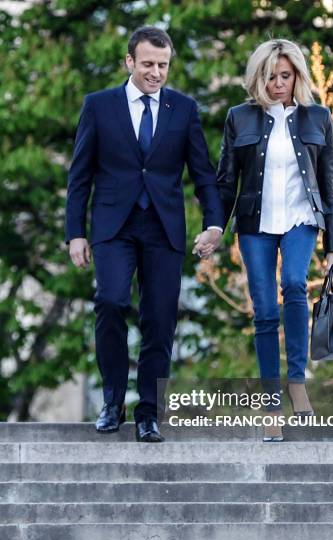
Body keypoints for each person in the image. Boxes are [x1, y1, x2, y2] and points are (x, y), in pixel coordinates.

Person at [65, 26, 223, 442]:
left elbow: (203, 174)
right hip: (113, 226)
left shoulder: (184, 109)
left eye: (163, 65)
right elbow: (79, 176)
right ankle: (113, 401)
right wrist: (74, 233)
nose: (156, 73)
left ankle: (149, 412)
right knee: (112, 301)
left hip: (164, 228)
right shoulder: (99, 106)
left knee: (159, 320)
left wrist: (214, 223)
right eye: (148, 64)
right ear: (129, 62)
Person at [217, 39, 333, 442]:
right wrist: (215, 227)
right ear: (258, 77)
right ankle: (271, 405)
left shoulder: (318, 117)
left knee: (293, 284)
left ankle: (297, 383)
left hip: (302, 220)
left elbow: (328, 185)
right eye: (270, 76)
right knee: (265, 311)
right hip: (255, 224)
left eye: (285, 76)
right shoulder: (239, 118)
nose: (277, 84)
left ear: (298, 76)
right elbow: (225, 182)